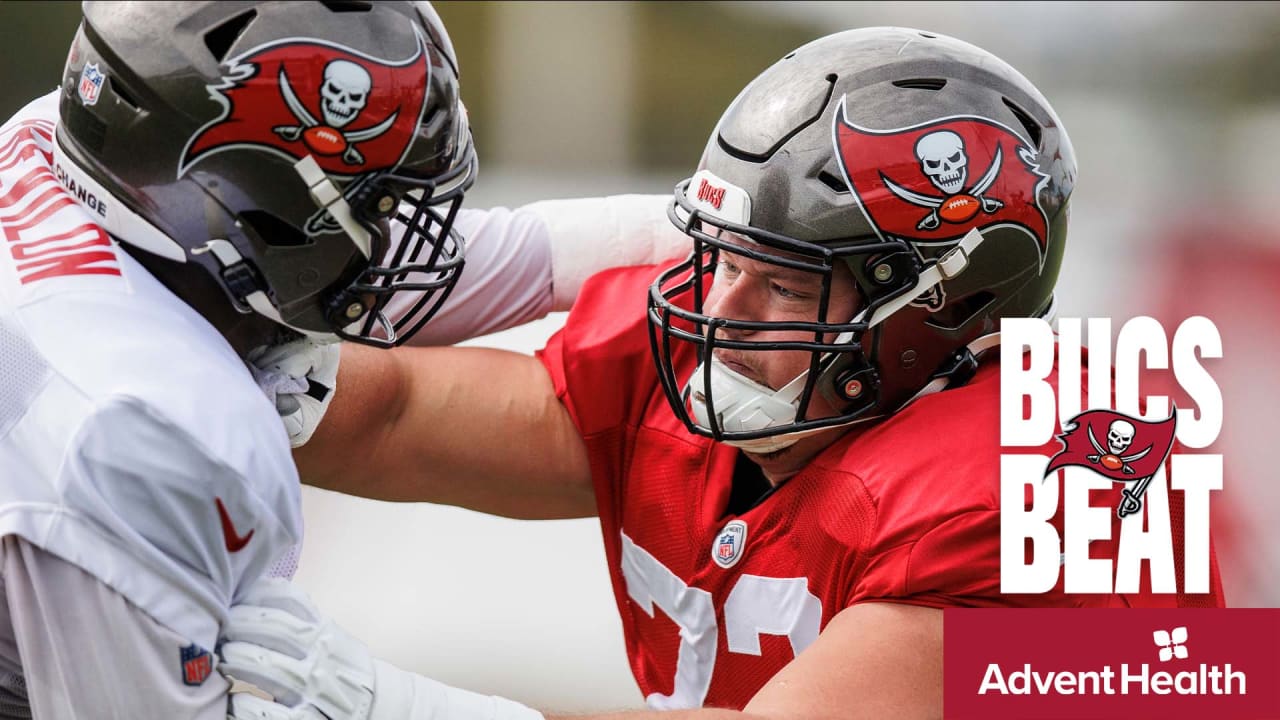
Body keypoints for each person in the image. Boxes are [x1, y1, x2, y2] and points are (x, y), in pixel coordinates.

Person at [219, 25, 1225, 720]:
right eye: (722, 262)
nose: (720, 314)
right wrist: (186, 354)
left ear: (945, 304)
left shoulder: (1064, 492)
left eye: (783, 286)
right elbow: (386, 415)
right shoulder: (745, 372)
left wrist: (399, 710)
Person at [0, 1, 685, 717]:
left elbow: (441, 259)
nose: (394, 235)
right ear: (247, 196)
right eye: (377, 202)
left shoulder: (88, 149)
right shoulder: (150, 424)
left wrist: (734, 228)